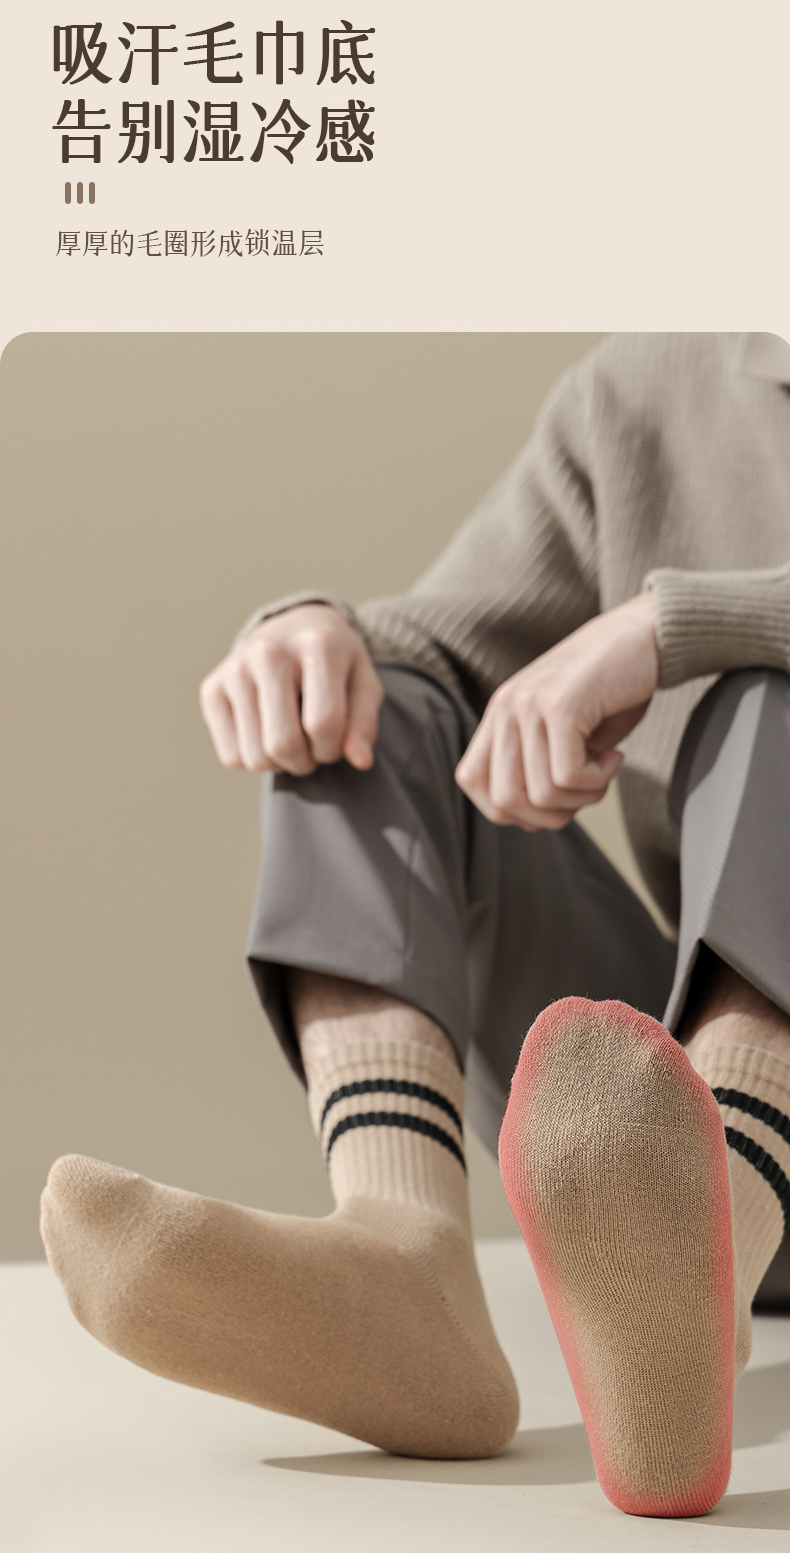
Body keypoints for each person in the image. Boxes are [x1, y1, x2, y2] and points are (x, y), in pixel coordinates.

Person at [41, 332, 790, 1519]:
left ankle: (711, 1238)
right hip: (660, 1118)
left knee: (769, 692)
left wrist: (677, 624)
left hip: (747, 1137)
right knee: (369, 711)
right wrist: (304, 631)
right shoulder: (644, 388)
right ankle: (406, 1256)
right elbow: (426, 647)